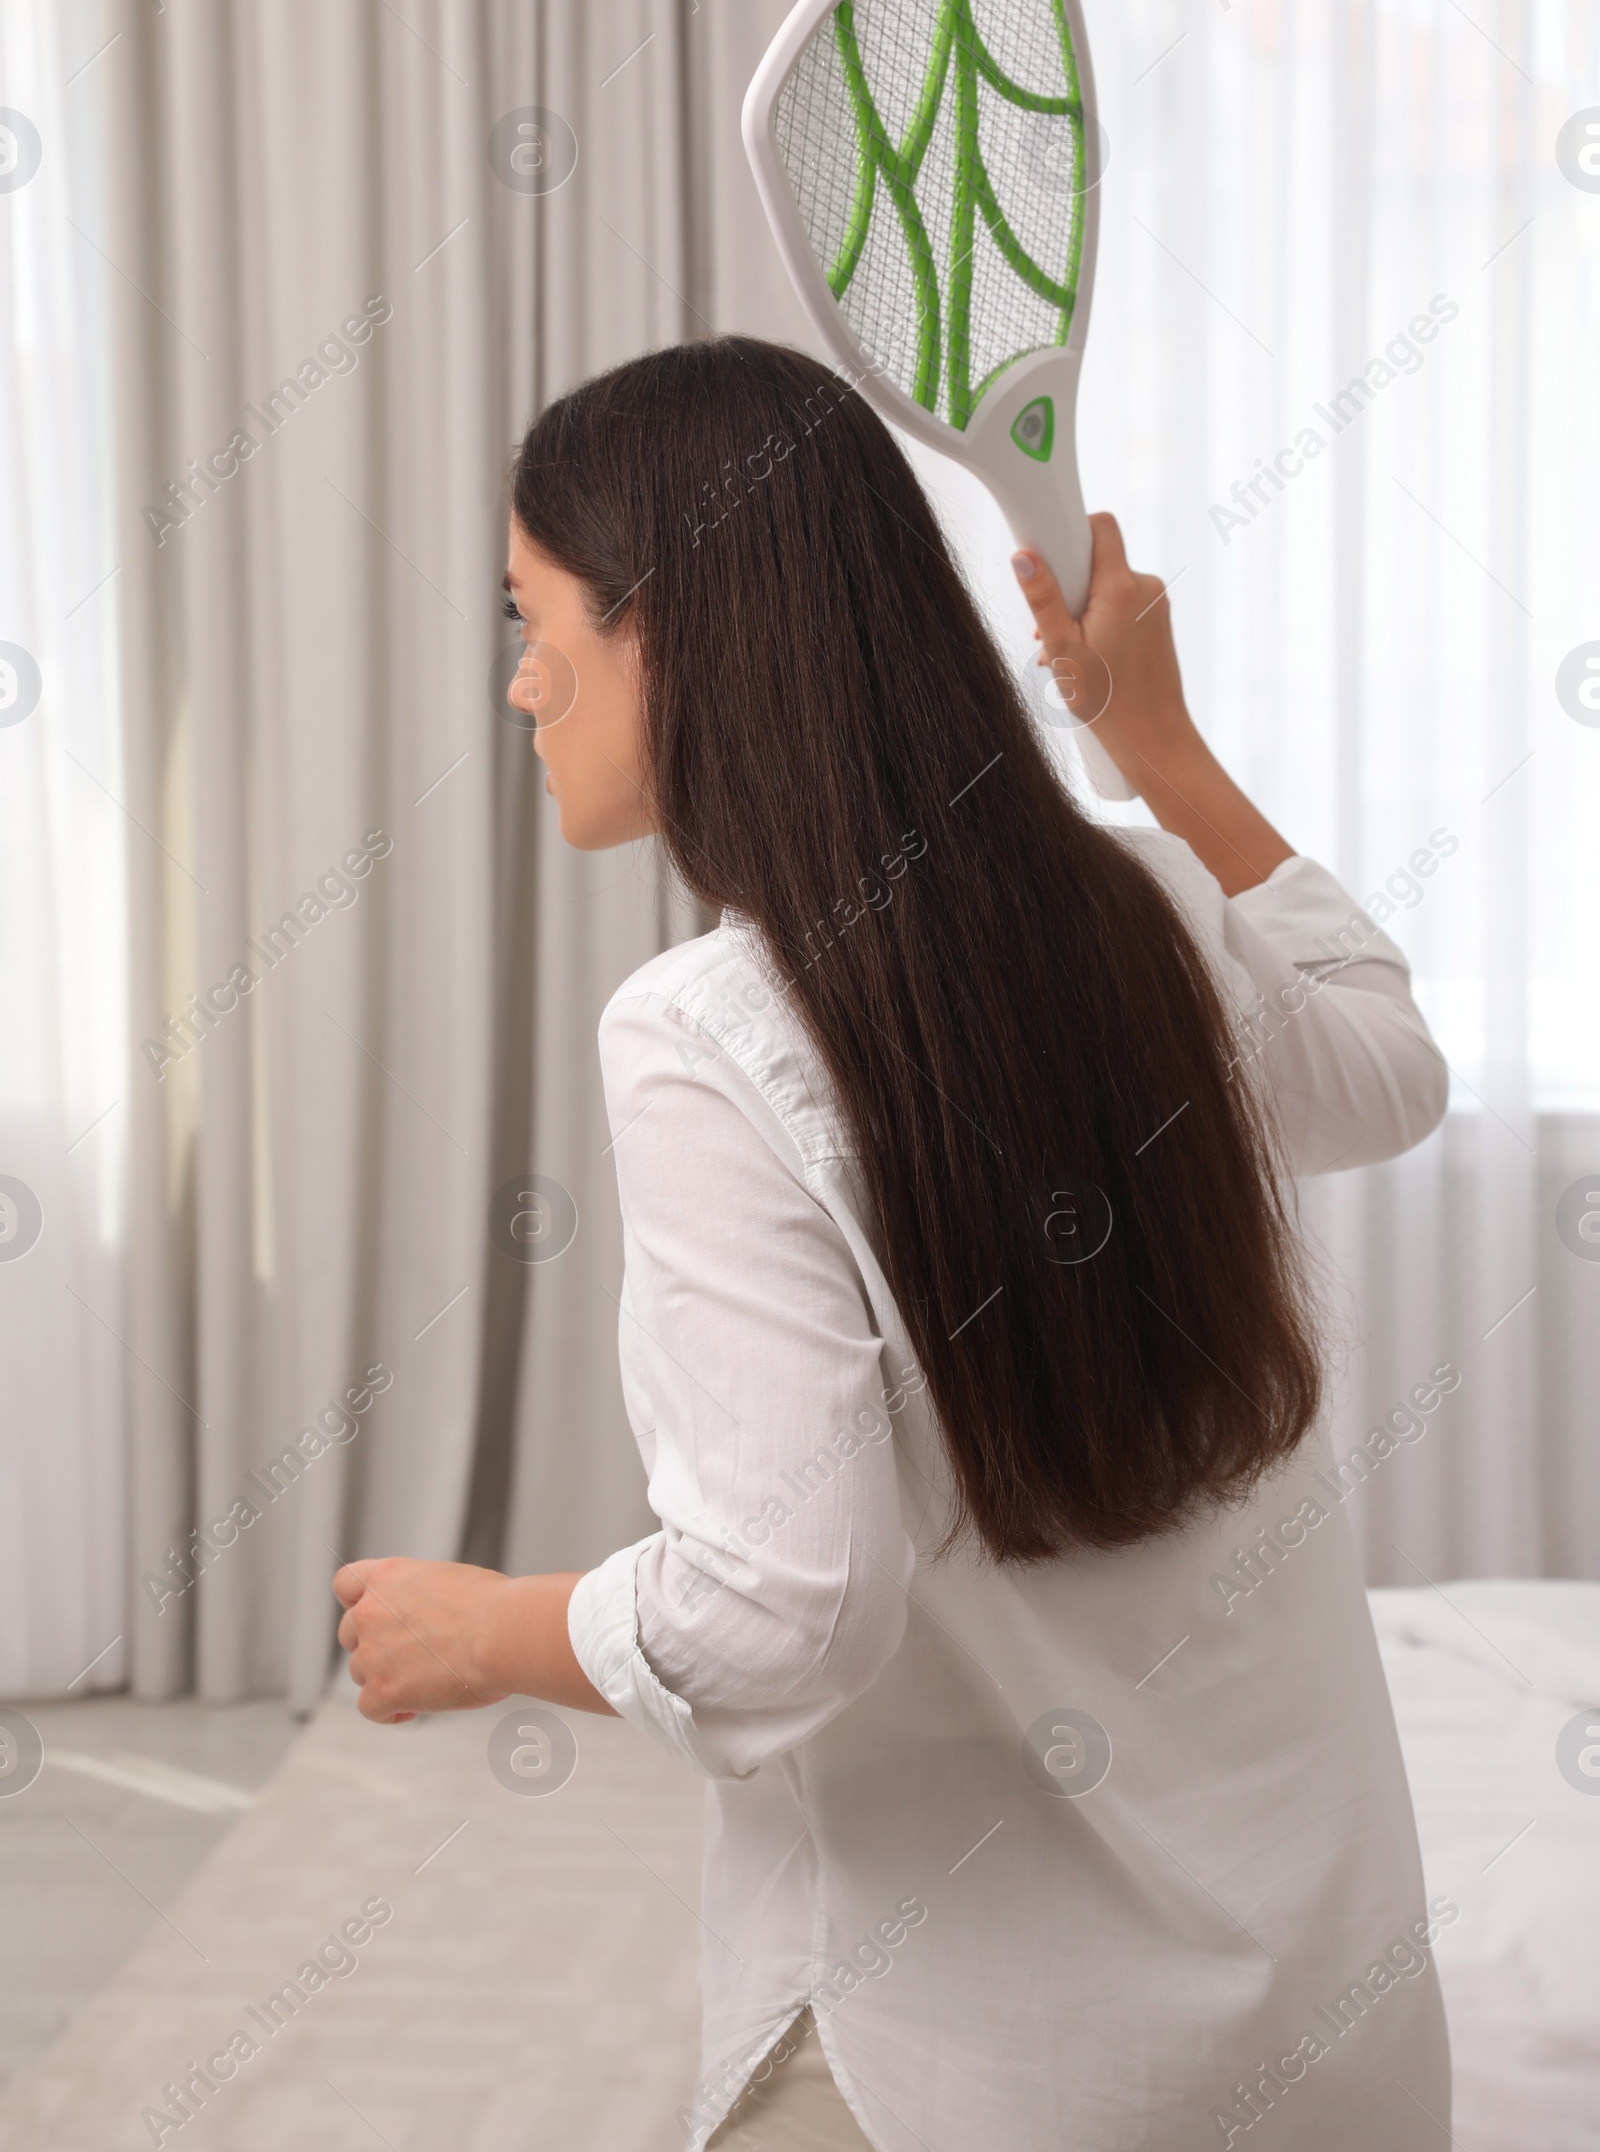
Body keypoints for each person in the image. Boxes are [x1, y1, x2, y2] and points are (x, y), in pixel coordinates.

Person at [334, 337, 1454, 2151]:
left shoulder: (703, 1033)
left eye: (536, 618)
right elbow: (1389, 1070)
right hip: (1329, 2033)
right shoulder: (1148, 899)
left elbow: (787, 1606)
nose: (522, 682)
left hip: (986, 2073)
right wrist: (1155, 752)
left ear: (673, 634)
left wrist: (500, 1632)